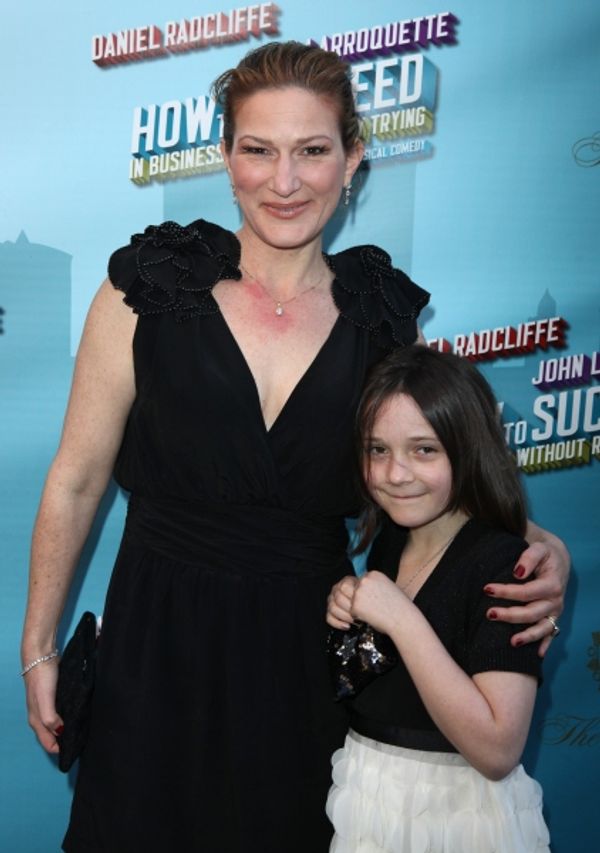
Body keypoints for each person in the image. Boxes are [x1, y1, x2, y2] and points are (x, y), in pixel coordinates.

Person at [21, 42, 566, 853]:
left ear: (353, 159)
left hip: (307, 658)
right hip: (155, 644)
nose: (285, 181)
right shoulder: (148, 287)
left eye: (313, 151)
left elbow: (426, 482)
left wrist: (537, 544)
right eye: (259, 150)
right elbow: (74, 481)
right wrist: (37, 649)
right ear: (225, 158)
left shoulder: (383, 317)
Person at [326, 345, 553, 852]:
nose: (395, 474)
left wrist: (402, 621)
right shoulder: (390, 539)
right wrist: (349, 605)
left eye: (423, 450)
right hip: (369, 799)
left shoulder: (503, 565)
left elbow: (497, 749)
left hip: (456, 820)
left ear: (467, 448)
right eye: (376, 449)